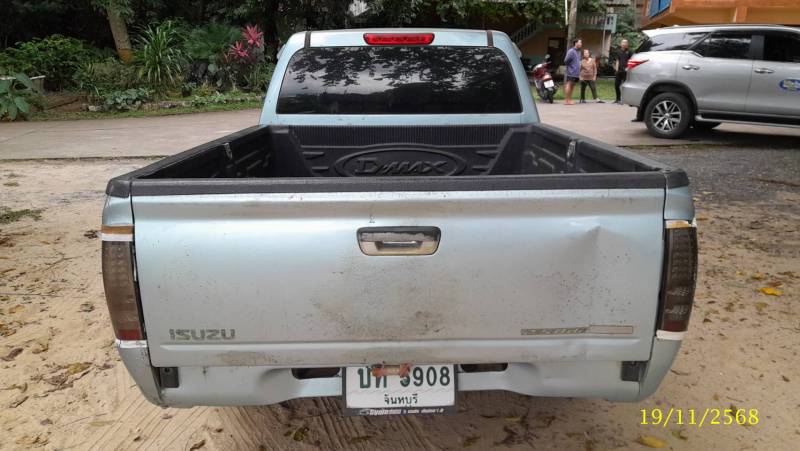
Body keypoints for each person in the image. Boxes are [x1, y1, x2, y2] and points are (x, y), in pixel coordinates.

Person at [563, 38, 582, 105]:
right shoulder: (571, 51)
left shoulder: (578, 52)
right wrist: (571, 67)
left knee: (572, 86)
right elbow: (566, 61)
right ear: (576, 43)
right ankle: (566, 100)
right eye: (580, 42)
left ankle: (569, 99)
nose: (581, 44)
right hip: (571, 72)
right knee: (569, 84)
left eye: (581, 42)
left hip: (576, 72)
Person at [614, 39, 633, 104]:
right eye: (623, 42)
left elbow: (631, 61)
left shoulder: (630, 51)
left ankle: (624, 99)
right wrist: (616, 70)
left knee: (625, 86)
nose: (624, 44)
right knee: (616, 85)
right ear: (621, 43)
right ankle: (618, 99)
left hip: (626, 71)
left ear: (627, 44)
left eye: (625, 42)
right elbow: (617, 61)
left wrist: (628, 68)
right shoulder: (618, 51)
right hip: (619, 71)